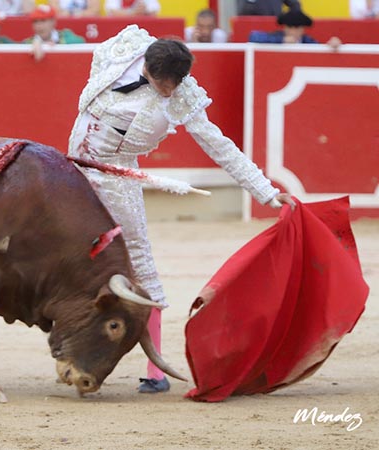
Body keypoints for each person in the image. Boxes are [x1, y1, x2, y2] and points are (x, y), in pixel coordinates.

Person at [68, 25, 294, 393]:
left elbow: (219, 145)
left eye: (176, 83)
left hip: (117, 180)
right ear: (147, 67)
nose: (170, 91)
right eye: (164, 83)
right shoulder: (123, 49)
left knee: (140, 264)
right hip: (72, 168)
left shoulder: (182, 94)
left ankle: (154, 372)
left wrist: (265, 191)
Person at [249, 9, 342, 49]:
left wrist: (332, 44)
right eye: (289, 27)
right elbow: (253, 37)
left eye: (297, 27)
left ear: (303, 29)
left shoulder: (306, 41)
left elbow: (320, 48)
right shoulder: (277, 36)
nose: (292, 31)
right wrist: (281, 40)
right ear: (284, 27)